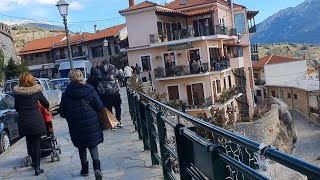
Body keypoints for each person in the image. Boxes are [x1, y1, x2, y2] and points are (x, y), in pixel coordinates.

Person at [60, 70, 104, 180]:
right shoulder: (90, 90)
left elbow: (62, 113)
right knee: (93, 145)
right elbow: (100, 106)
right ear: (81, 77)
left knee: (81, 146)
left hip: (75, 124)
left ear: (70, 78)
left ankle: (84, 169)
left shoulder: (66, 94)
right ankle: (97, 168)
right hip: (91, 122)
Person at [14, 72, 50, 176]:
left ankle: (34, 163)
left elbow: (16, 107)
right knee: (37, 143)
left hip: (24, 121)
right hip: (36, 120)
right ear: (31, 80)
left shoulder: (18, 94)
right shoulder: (36, 91)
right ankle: (37, 167)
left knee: (30, 142)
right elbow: (45, 103)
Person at [97, 59, 123, 129]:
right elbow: (120, 76)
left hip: (105, 93)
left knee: (109, 109)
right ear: (109, 63)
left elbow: (97, 79)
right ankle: (119, 121)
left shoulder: (99, 70)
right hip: (115, 91)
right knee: (117, 107)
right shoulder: (114, 69)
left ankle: (113, 124)